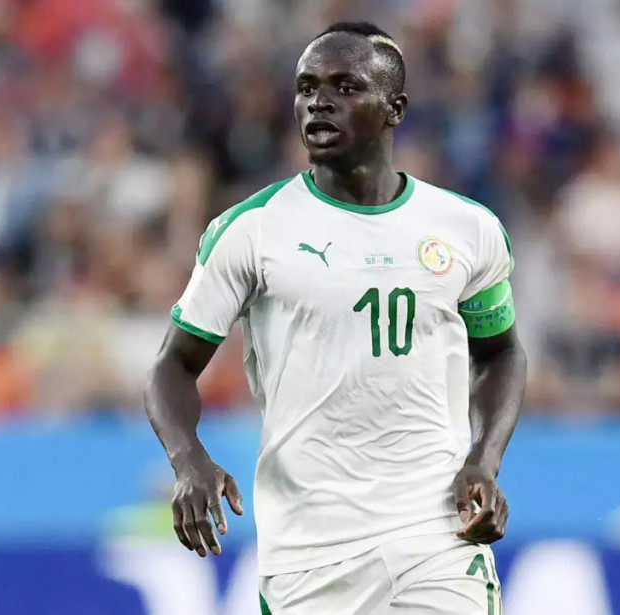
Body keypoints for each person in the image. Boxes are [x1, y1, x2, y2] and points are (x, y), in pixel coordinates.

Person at [144, 22, 527, 614]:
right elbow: (171, 366)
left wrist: (485, 460)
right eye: (307, 87)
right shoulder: (251, 230)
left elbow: (500, 352)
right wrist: (187, 459)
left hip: (435, 535)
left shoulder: (467, 229)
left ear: (395, 109)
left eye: (345, 87)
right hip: (309, 553)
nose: (318, 101)